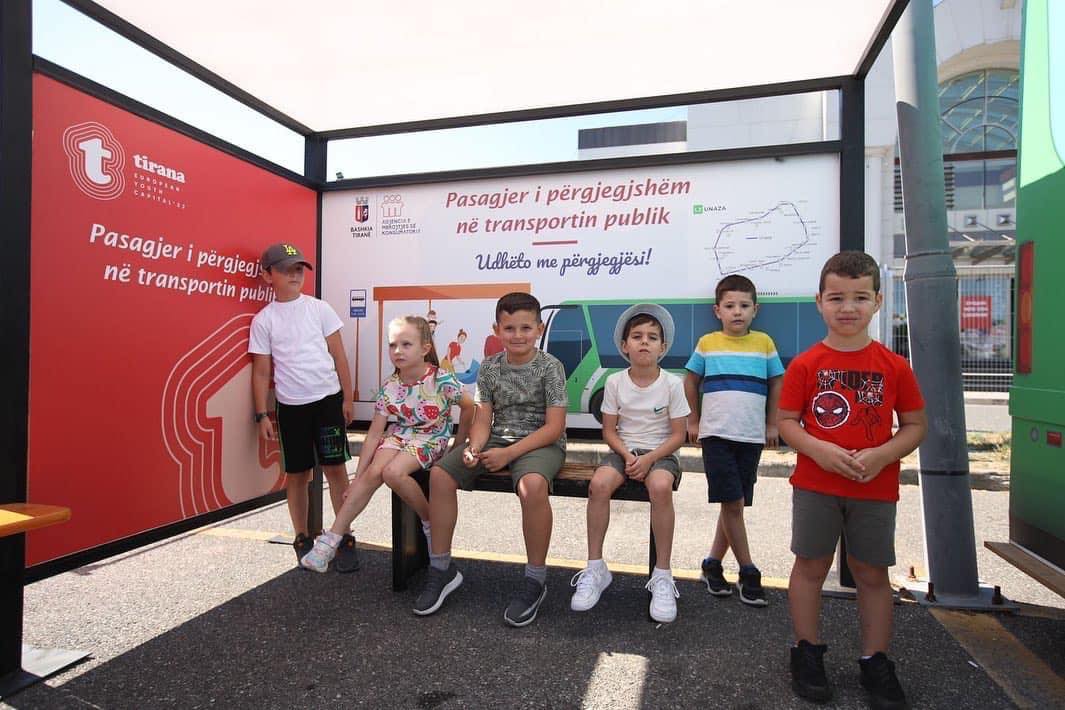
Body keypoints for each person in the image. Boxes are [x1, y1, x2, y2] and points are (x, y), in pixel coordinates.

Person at [778, 251, 926, 708]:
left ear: (878, 301)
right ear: (819, 301)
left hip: (875, 490)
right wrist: (819, 450)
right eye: (837, 297)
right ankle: (806, 651)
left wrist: (883, 455)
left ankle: (875, 661)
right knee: (810, 568)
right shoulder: (805, 364)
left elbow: (915, 426)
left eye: (860, 297)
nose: (848, 307)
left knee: (872, 574)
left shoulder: (895, 366)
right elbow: (786, 422)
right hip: (815, 487)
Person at [413, 292, 568, 627]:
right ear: (497, 330)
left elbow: (554, 427)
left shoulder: (551, 367)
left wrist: (509, 454)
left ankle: (535, 580)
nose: (518, 335)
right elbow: (483, 419)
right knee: (440, 475)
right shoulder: (490, 367)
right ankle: (441, 568)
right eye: (509, 328)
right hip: (497, 438)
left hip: (540, 442)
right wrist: (474, 447)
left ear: (539, 329)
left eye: (526, 328)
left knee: (532, 487)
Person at [300, 316, 473, 573]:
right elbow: (373, 435)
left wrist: (457, 445)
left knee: (392, 472)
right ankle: (331, 540)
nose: (397, 351)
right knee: (373, 472)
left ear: (425, 349)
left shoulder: (441, 379)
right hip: (399, 435)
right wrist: (357, 478)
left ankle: (428, 521)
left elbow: (469, 407)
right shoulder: (391, 385)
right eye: (393, 345)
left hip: (430, 438)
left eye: (406, 344)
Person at [569, 304, 689, 623]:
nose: (644, 342)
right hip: (625, 451)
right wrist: (627, 456)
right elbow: (609, 431)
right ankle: (595, 568)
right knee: (598, 485)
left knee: (660, 487)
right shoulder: (614, 382)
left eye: (652, 337)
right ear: (625, 346)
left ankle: (662, 575)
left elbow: (679, 435)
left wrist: (649, 459)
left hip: (660, 453)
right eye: (637, 336)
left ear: (663, 347)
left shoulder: (673, 384)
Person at [249, 243, 357, 570]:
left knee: (336, 470)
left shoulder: (320, 309)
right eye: (286, 269)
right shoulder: (264, 320)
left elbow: (339, 356)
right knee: (297, 475)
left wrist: (348, 398)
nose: (295, 275)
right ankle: (301, 536)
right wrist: (261, 414)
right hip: (291, 408)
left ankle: (343, 535)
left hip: (328, 402)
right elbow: (261, 371)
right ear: (267, 276)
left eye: (299, 269)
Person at [684, 274, 784, 607]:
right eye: (729, 306)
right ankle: (748, 571)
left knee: (734, 503)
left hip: (751, 436)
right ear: (718, 311)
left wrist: (772, 423)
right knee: (733, 504)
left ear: (756, 309)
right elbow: (690, 380)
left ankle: (712, 564)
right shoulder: (708, 343)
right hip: (716, 435)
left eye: (744, 305)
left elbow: (777, 382)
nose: (737, 311)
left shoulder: (764, 343)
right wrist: (693, 419)